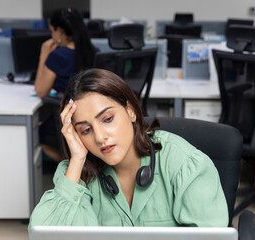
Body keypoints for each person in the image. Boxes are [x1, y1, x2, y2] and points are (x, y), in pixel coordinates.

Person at [29, 68, 228, 227]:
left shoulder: (183, 163)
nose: (100, 137)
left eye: (107, 119)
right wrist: (78, 159)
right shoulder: (77, 174)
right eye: (85, 130)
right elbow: (46, 233)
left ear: (131, 111)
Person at [35, 7, 96, 162]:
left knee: (38, 136)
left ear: (60, 31)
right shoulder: (93, 50)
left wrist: (44, 53)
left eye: (53, 30)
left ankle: (71, 166)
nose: (52, 35)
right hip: (90, 113)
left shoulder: (58, 56)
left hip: (68, 117)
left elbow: (41, 91)